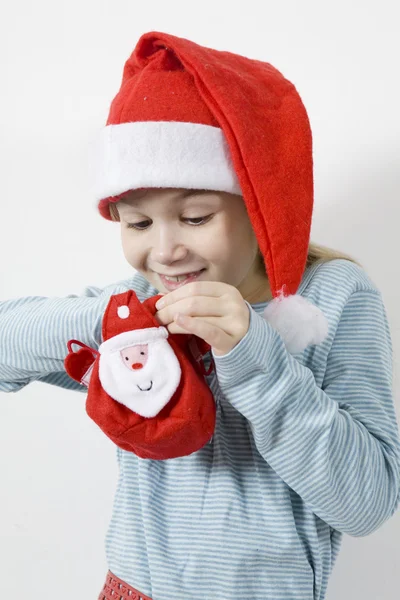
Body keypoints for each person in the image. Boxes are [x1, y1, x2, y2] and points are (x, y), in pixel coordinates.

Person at [1, 30, 400, 600]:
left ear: (261, 207)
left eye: (194, 217)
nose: (164, 252)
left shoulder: (332, 298)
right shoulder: (138, 299)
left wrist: (256, 359)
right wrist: (116, 323)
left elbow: (366, 504)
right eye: (137, 224)